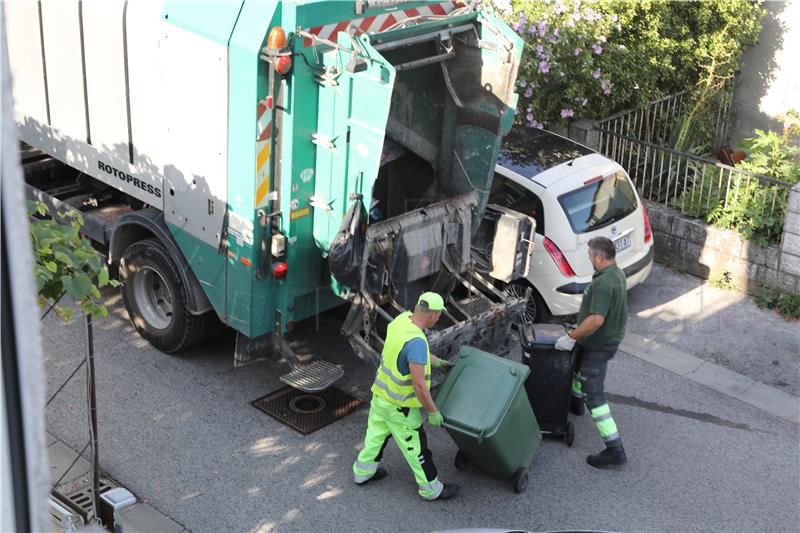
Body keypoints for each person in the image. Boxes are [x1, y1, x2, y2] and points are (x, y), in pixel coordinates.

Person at [352, 292, 459, 500]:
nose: (438, 318)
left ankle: (362, 472)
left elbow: (409, 353)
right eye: (438, 315)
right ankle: (430, 489)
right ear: (433, 315)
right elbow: (419, 386)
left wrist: (436, 362)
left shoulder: (401, 321)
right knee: (417, 450)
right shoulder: (417, 342)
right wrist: (433, 412)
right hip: (400, 408)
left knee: (374, 438)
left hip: (380, 396)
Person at [555, 237, 628, 468]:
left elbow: (597, 319)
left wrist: (571, 336)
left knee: (594, 393)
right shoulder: (616, 274)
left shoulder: (604, 283)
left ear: (598, 257)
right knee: (579, 368)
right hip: (599, 341)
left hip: (599, 343)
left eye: (589, 256)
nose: (589, 259)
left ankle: (614, 449)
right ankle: (575, 403)